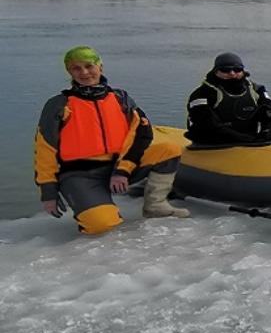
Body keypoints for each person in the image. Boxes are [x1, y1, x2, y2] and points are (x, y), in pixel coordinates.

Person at [34, 46, 189, 235]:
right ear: (69, 71)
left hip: (118, 168)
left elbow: (142, 134)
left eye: (89, 66)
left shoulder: (120, 98)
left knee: (169, 149)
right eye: (76, 68)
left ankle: (155, 206)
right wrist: (48, 192)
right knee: (102, 225)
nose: (84, 72)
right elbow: (45, 149)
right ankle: (93, 208)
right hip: (80, 175)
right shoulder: (58, 105)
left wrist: (123, 170)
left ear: (100, 67)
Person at [185, 52, 271, 146]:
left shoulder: (257, 90)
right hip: (211, 144)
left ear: (243, 71)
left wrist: (267, 136)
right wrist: (245, 140)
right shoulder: (201, 94)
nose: (232, 73)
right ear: (216, 71)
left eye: (237, 69)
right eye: (225, 70)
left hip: (249, 142)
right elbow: (206, 124)